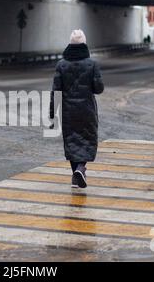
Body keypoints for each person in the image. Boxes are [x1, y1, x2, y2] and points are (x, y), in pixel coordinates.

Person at [49, 29, 104, 188]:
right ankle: (80, 169)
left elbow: (56, 92)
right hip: (86, 110)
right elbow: (98, 88)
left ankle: (76, 175)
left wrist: (52, 115)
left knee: (72, 142)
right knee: (87, 140)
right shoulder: (92, 64)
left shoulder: (61, 65)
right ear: (84, 44)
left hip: (68, 111)